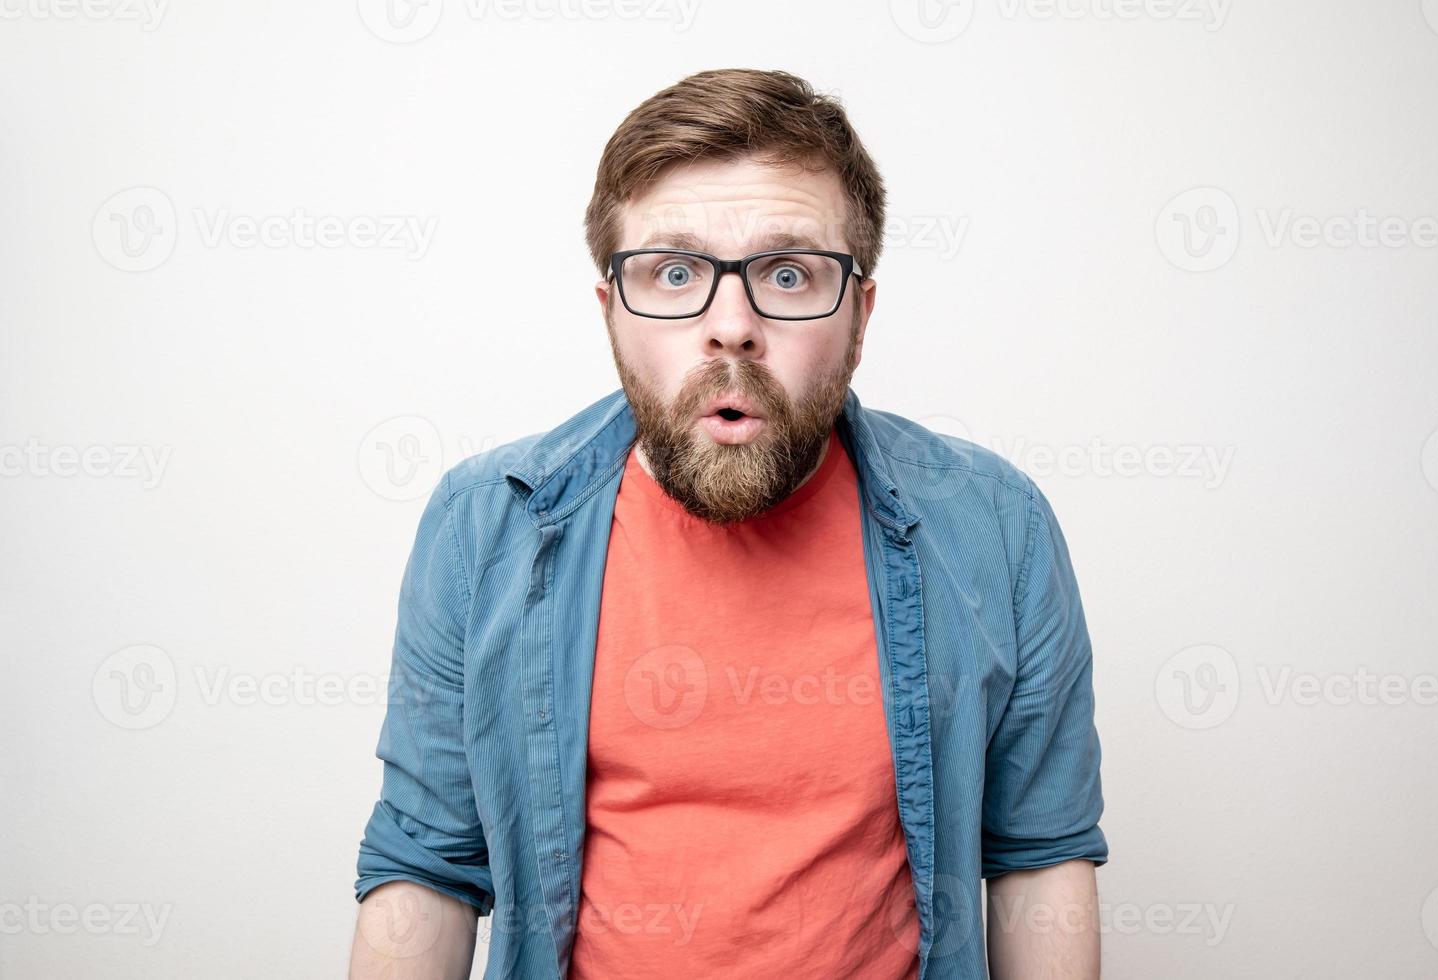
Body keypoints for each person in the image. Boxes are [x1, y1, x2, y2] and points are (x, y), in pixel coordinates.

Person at [349, 67, 1107, 980]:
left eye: (789, 274)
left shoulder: (995, 528)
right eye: (675, 273)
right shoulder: (483, 528)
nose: (732, 326)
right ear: (613, 314)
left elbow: (1038, 856)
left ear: (860, 316)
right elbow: (426, 868)